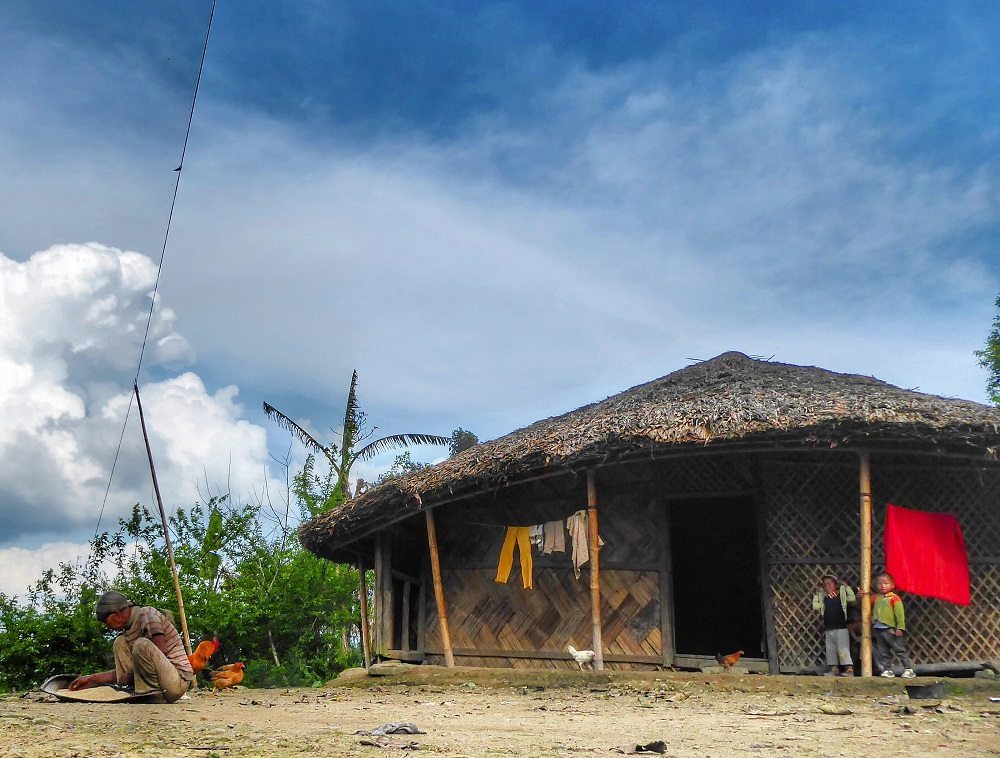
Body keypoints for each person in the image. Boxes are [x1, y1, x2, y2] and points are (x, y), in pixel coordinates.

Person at [68, 591, 194, 703]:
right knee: (120, 642)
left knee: (141, 644)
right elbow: (121, 675)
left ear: (116, 614)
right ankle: (135, 691)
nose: (107, 627)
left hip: (176, 682)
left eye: (106, 622)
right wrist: (91, 679)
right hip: (161, 679)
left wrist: (131, 674)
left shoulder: (147, 615)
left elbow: (162, 651)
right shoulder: (128, 631)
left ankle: (151, 694)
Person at [871, 572, 916, 679]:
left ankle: (908, 669)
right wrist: (861, 595)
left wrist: (900, 628)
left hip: (890, 628)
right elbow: (864, 600)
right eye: (880, 584)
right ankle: (887, 669)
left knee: (899, 649)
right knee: (884, 651)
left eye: (886, 583)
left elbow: (900, 615)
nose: (882, 586)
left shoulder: (894, 598)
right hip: (878, 628)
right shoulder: (877, 598)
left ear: (892, 585)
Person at [811, 575, 856, 676]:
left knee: (843, 649)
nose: (827, 586)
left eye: (830, 583)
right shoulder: (824, 598)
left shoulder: (841, 596)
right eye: (825, 585)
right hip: (829, 627)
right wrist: (816, 594)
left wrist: (847, 587)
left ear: (836, 585)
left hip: (841, 627)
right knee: (831, 649)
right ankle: (834, 670)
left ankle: (849, 669)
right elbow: (815, 606)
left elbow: (852, 599)